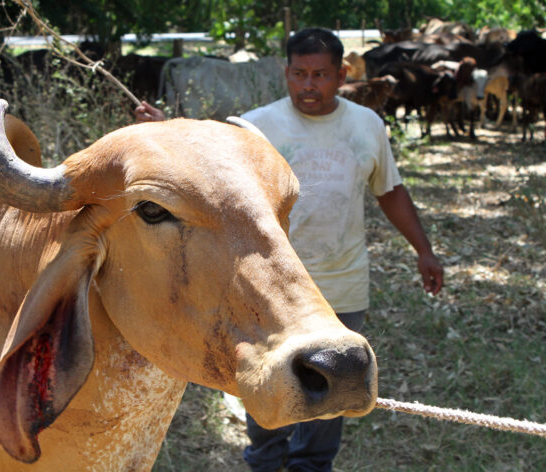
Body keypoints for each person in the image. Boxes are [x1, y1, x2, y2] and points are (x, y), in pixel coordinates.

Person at [135, 27, 443, 472]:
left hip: (342, 284)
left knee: (331, 392)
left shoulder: (367, 125)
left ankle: (312, 465)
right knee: (267, 388)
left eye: (320, 75)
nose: (308, 85)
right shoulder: (254, 127)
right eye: (299, 74)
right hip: (269, 289)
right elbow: (204, 167)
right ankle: (265, 460)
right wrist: (166, 130)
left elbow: (390, 191)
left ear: (342, 75)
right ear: (286, 73)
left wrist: (424, 250)